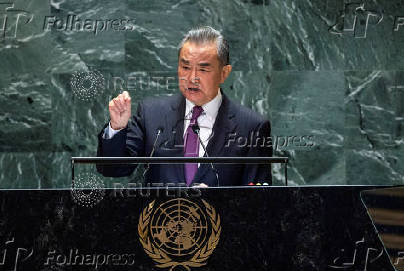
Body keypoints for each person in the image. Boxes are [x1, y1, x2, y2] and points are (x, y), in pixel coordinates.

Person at [96, 26, 272, 186]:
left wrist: (221, 201)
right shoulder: (151, 114)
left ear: (224, 73)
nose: (192, 77)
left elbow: (257, 202)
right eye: (185, 67)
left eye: (203, 69)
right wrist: (117, 128)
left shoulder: (251, 127)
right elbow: (112, 169)